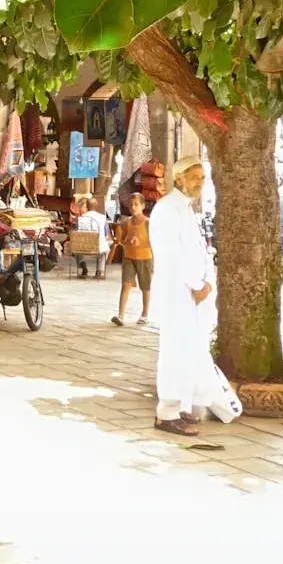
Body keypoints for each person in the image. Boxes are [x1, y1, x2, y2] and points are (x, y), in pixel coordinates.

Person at [150, 157, 228, 436]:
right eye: (194, 177)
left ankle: (182, 405)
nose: (199, 183)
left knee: (187, 349)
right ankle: (167, 413)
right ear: (178, 178)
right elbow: (173, 255)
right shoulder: (167, 209)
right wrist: (197, 284)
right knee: (174, 351)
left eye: (203, 178)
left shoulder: (184, 209)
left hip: (189, 293)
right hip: (177, 291)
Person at [113, 192, 153, 326]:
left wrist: (140, 242)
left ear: (143, 206)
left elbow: (154, 241)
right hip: (129, 257)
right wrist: (126, 241)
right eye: (131, 205)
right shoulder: (126, 223)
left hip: (145, 258)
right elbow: (121, 240)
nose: (133, 207)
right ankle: (121, 314)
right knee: (126, 284)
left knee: (145, 287)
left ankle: (145, 313)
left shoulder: (148, 223)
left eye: (136, 204)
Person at [73, 197, 109, 278]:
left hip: (83, 246)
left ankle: (83, 266)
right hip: (98, 246)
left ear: (87, 207)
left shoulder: (80, 219)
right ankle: (99, 270)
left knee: (76, 247)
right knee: (105, 249)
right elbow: (106, 234)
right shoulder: (102, 218)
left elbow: (76, 233)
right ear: (96, 206)